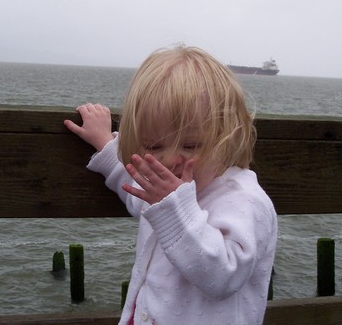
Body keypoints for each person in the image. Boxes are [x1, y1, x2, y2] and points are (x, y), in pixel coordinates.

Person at [64, 45, 277, 325]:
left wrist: (177, 210)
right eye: (153, 146)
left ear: (229, 135)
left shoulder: (242, 200)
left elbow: (225, 274)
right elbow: (134, 185)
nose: (170, 160)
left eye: (190, 145)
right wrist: (105, 143)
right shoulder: (160, 191)